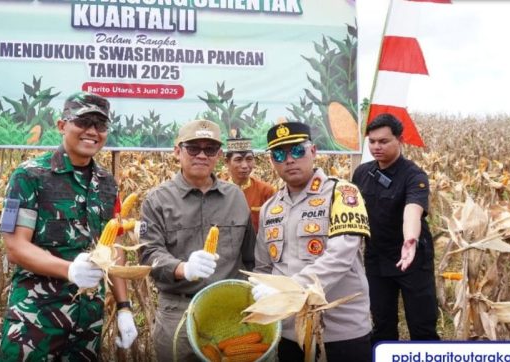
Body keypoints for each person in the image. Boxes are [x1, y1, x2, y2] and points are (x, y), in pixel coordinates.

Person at [0, 92, 137, 361]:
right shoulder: (30, 175)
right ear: (62, 125)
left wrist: (124, 307)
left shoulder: (107, 183)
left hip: (87, 320)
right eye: (83, 121)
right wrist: (69, 270)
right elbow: (15, 247)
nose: (92, 131)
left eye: (101, 125)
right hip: (35, 318)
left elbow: (114, 246)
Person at [252, 122, 372, 361]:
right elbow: (264, 267)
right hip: (289, 332)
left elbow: (340, 258)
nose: (289, 160)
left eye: (297, 151)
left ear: (313, 151)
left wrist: (288, 289)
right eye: (279, 154)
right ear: (272, 162)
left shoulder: (343, 193)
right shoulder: (270, 208)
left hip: (340, 331)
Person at [140, 119, 256, 360]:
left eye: (210, 149)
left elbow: (251, 256)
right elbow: (148, 254)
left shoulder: (235, 196)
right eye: (193, 148)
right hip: (178, 309)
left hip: (228, 309)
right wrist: (183, 268)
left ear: (219, 154)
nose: (202, 155)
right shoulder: (157, 200)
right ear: (177, 151)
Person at [352, 113, 439, 344]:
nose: (376, 147)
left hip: (411, 260)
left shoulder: (413, 175)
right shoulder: (362, 173)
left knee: (422, 327)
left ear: (399, 140)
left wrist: (410, 239)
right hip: (376, 259)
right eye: (372, 142)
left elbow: (413, 209)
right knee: (382, 325)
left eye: (383, 141)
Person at [224, 136, 275, 230]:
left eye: (249, 159)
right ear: (227, 162)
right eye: (238, 160)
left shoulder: (266, 191)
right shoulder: (219, 191)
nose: (244, 166)